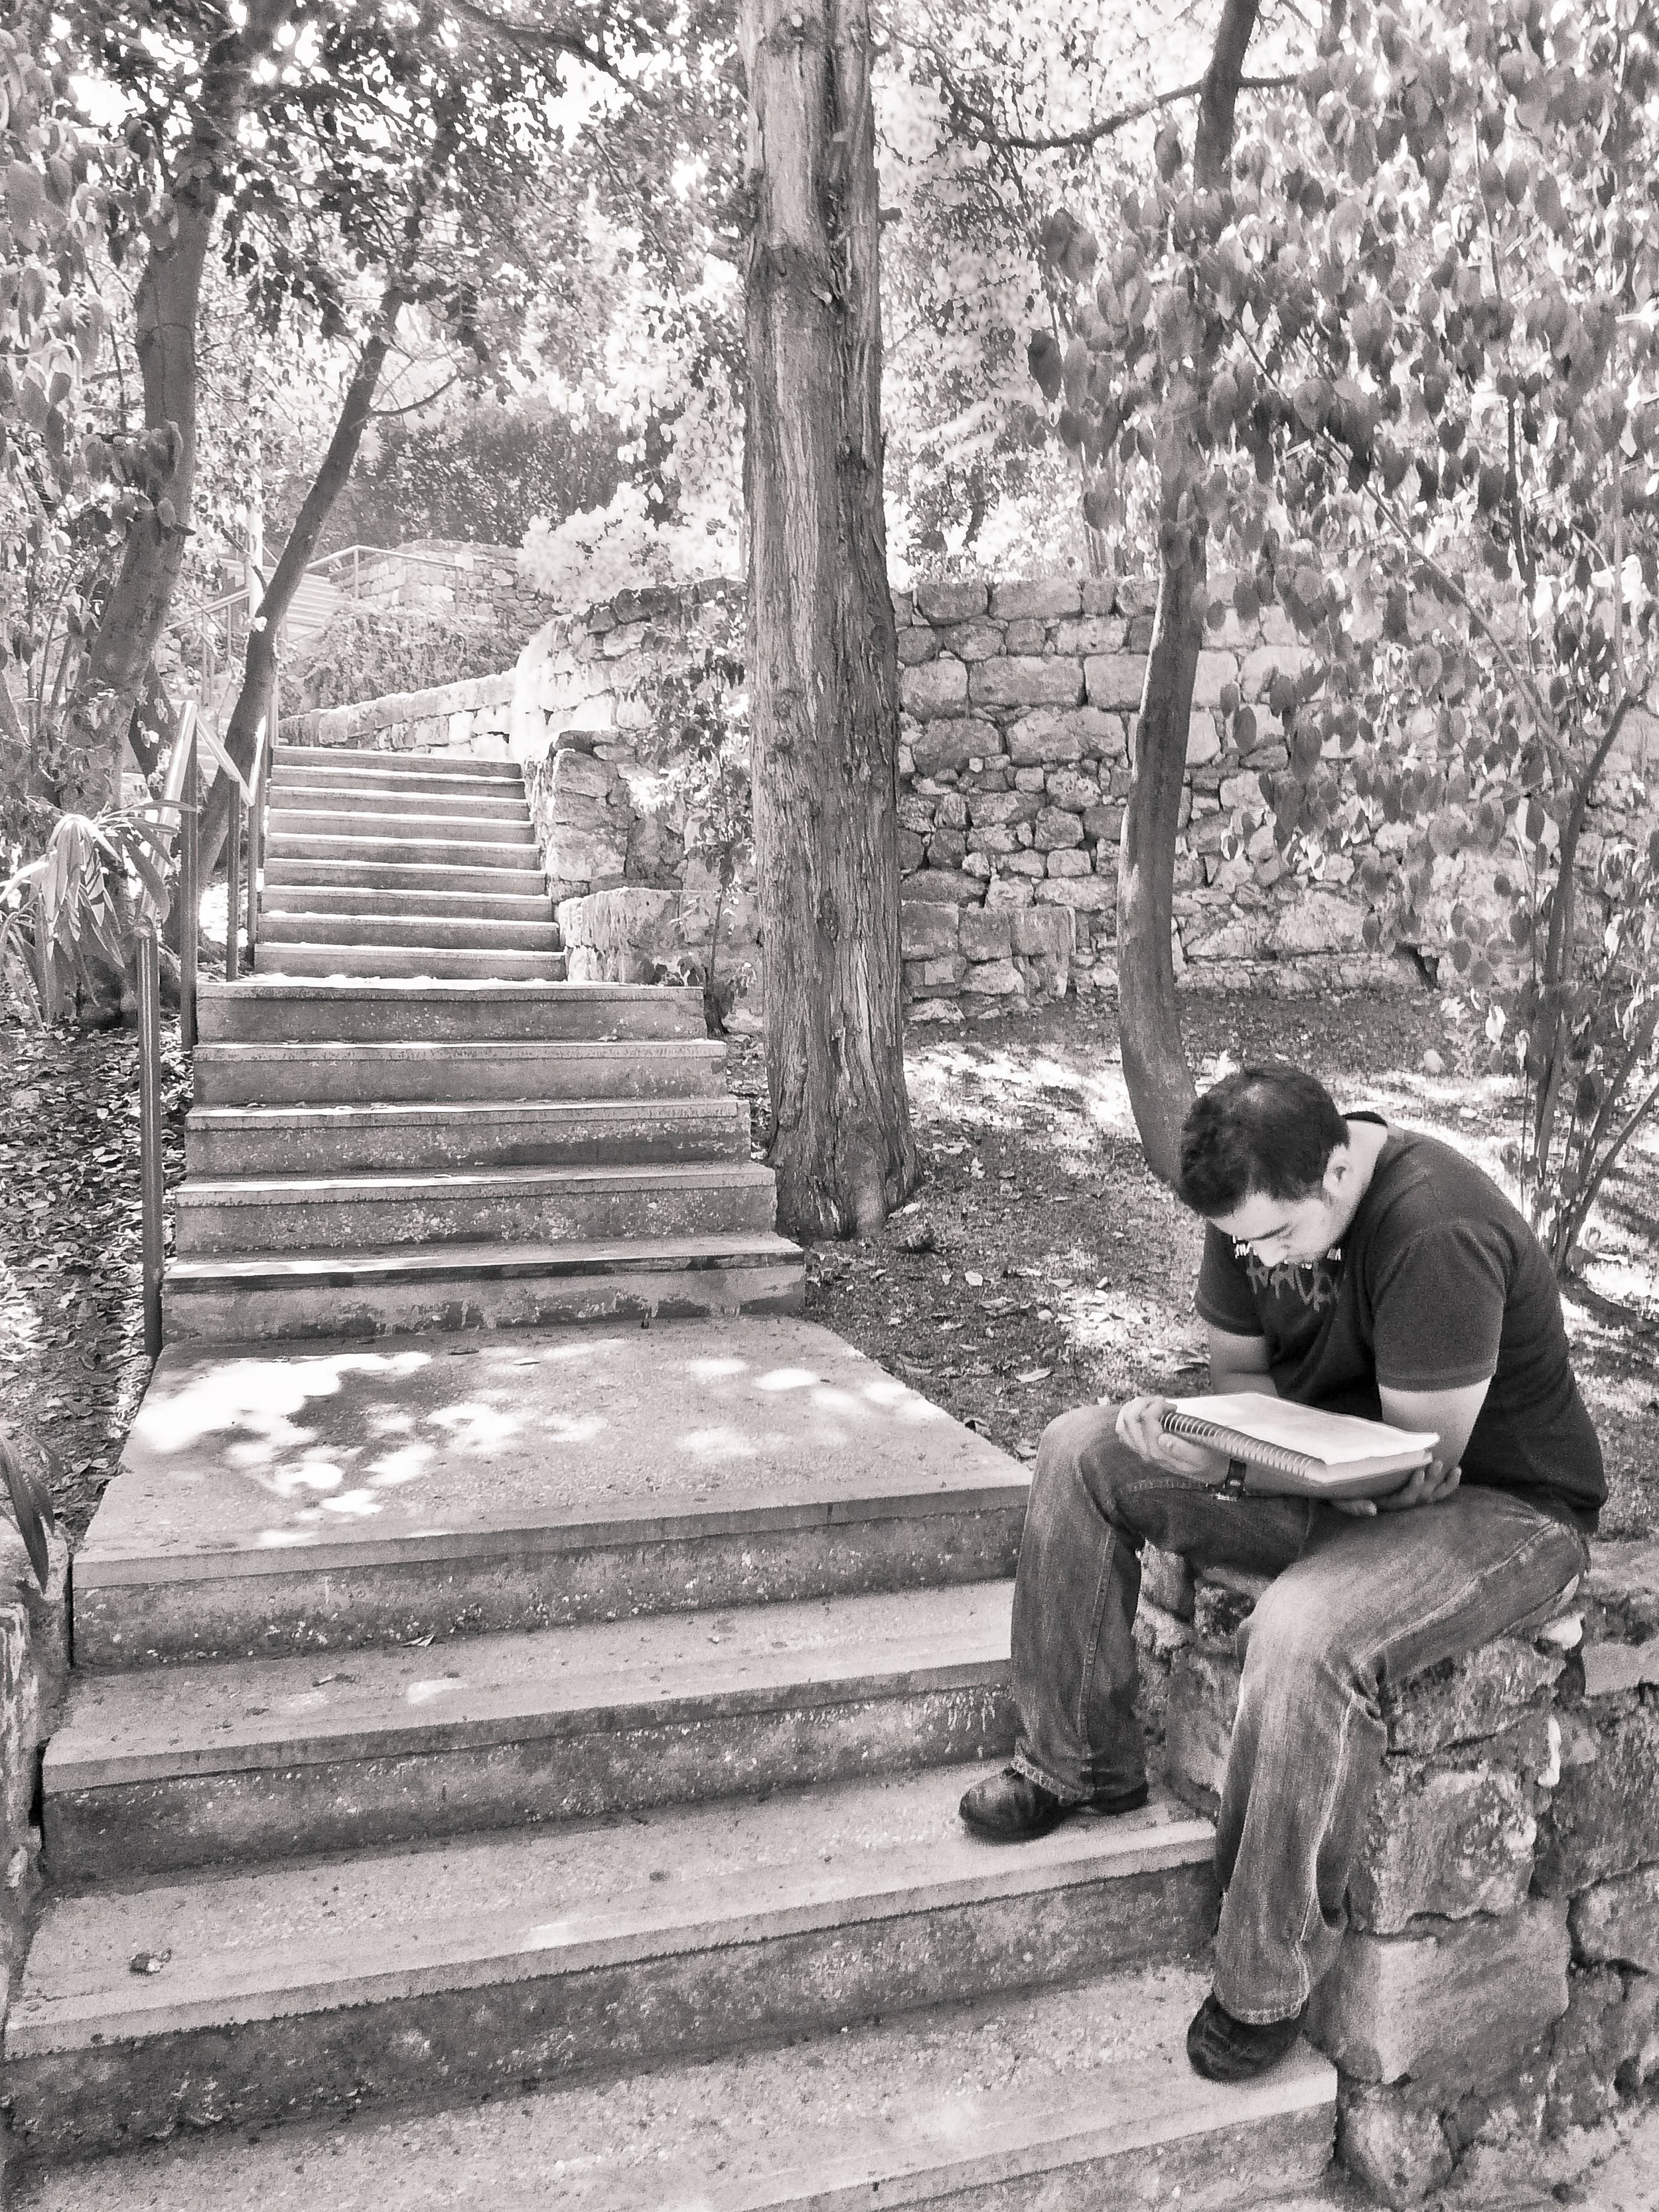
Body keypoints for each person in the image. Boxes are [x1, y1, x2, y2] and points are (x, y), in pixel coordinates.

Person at [959, 1065, 1601, 2083]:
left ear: (1340, 1166)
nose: (1255, 1257)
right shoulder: (1251, 1197)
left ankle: (1264, 1976)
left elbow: (1417, 1467)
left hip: (1494, 1507)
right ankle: (1077, 1763)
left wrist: (1239, 1465)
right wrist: (1206, 1448)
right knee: (1081, 1448)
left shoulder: (1436, 1227)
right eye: (1241, 1241)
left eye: (1275, 1238)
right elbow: (1242, 1383)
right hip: (1321, 1474)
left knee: (1302, 1632)